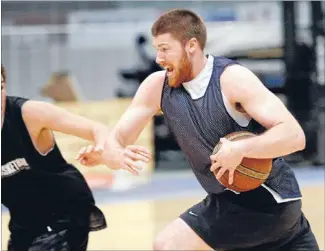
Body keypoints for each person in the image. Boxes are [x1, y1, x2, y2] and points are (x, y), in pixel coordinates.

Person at [77, 9, 319, 251]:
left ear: (191, 45)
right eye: (156, 49)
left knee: (168, 245)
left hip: (268, 199)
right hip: (235, 205)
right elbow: (117, 139)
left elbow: (294, 136)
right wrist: (112, 154)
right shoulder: (156, 87)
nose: (159, 58)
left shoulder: (231, 79)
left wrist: (241, 149)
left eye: (164, 49)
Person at [1, 64, 151, 251]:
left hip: (63, 208)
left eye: (0, 87)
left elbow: (96, 128)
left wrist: (106, 152)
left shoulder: (29, 113)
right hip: (23, 219)